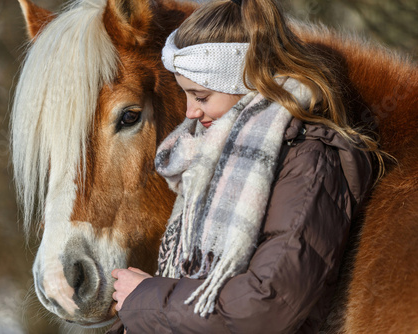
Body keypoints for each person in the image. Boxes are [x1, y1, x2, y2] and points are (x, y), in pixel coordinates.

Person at [109, 0, 385, 332]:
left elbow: (268, 305)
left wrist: (147, 298)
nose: (190, 113)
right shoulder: (212, 156)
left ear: (246, 83)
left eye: (201, 96)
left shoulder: (308, 160)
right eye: (185, 95)